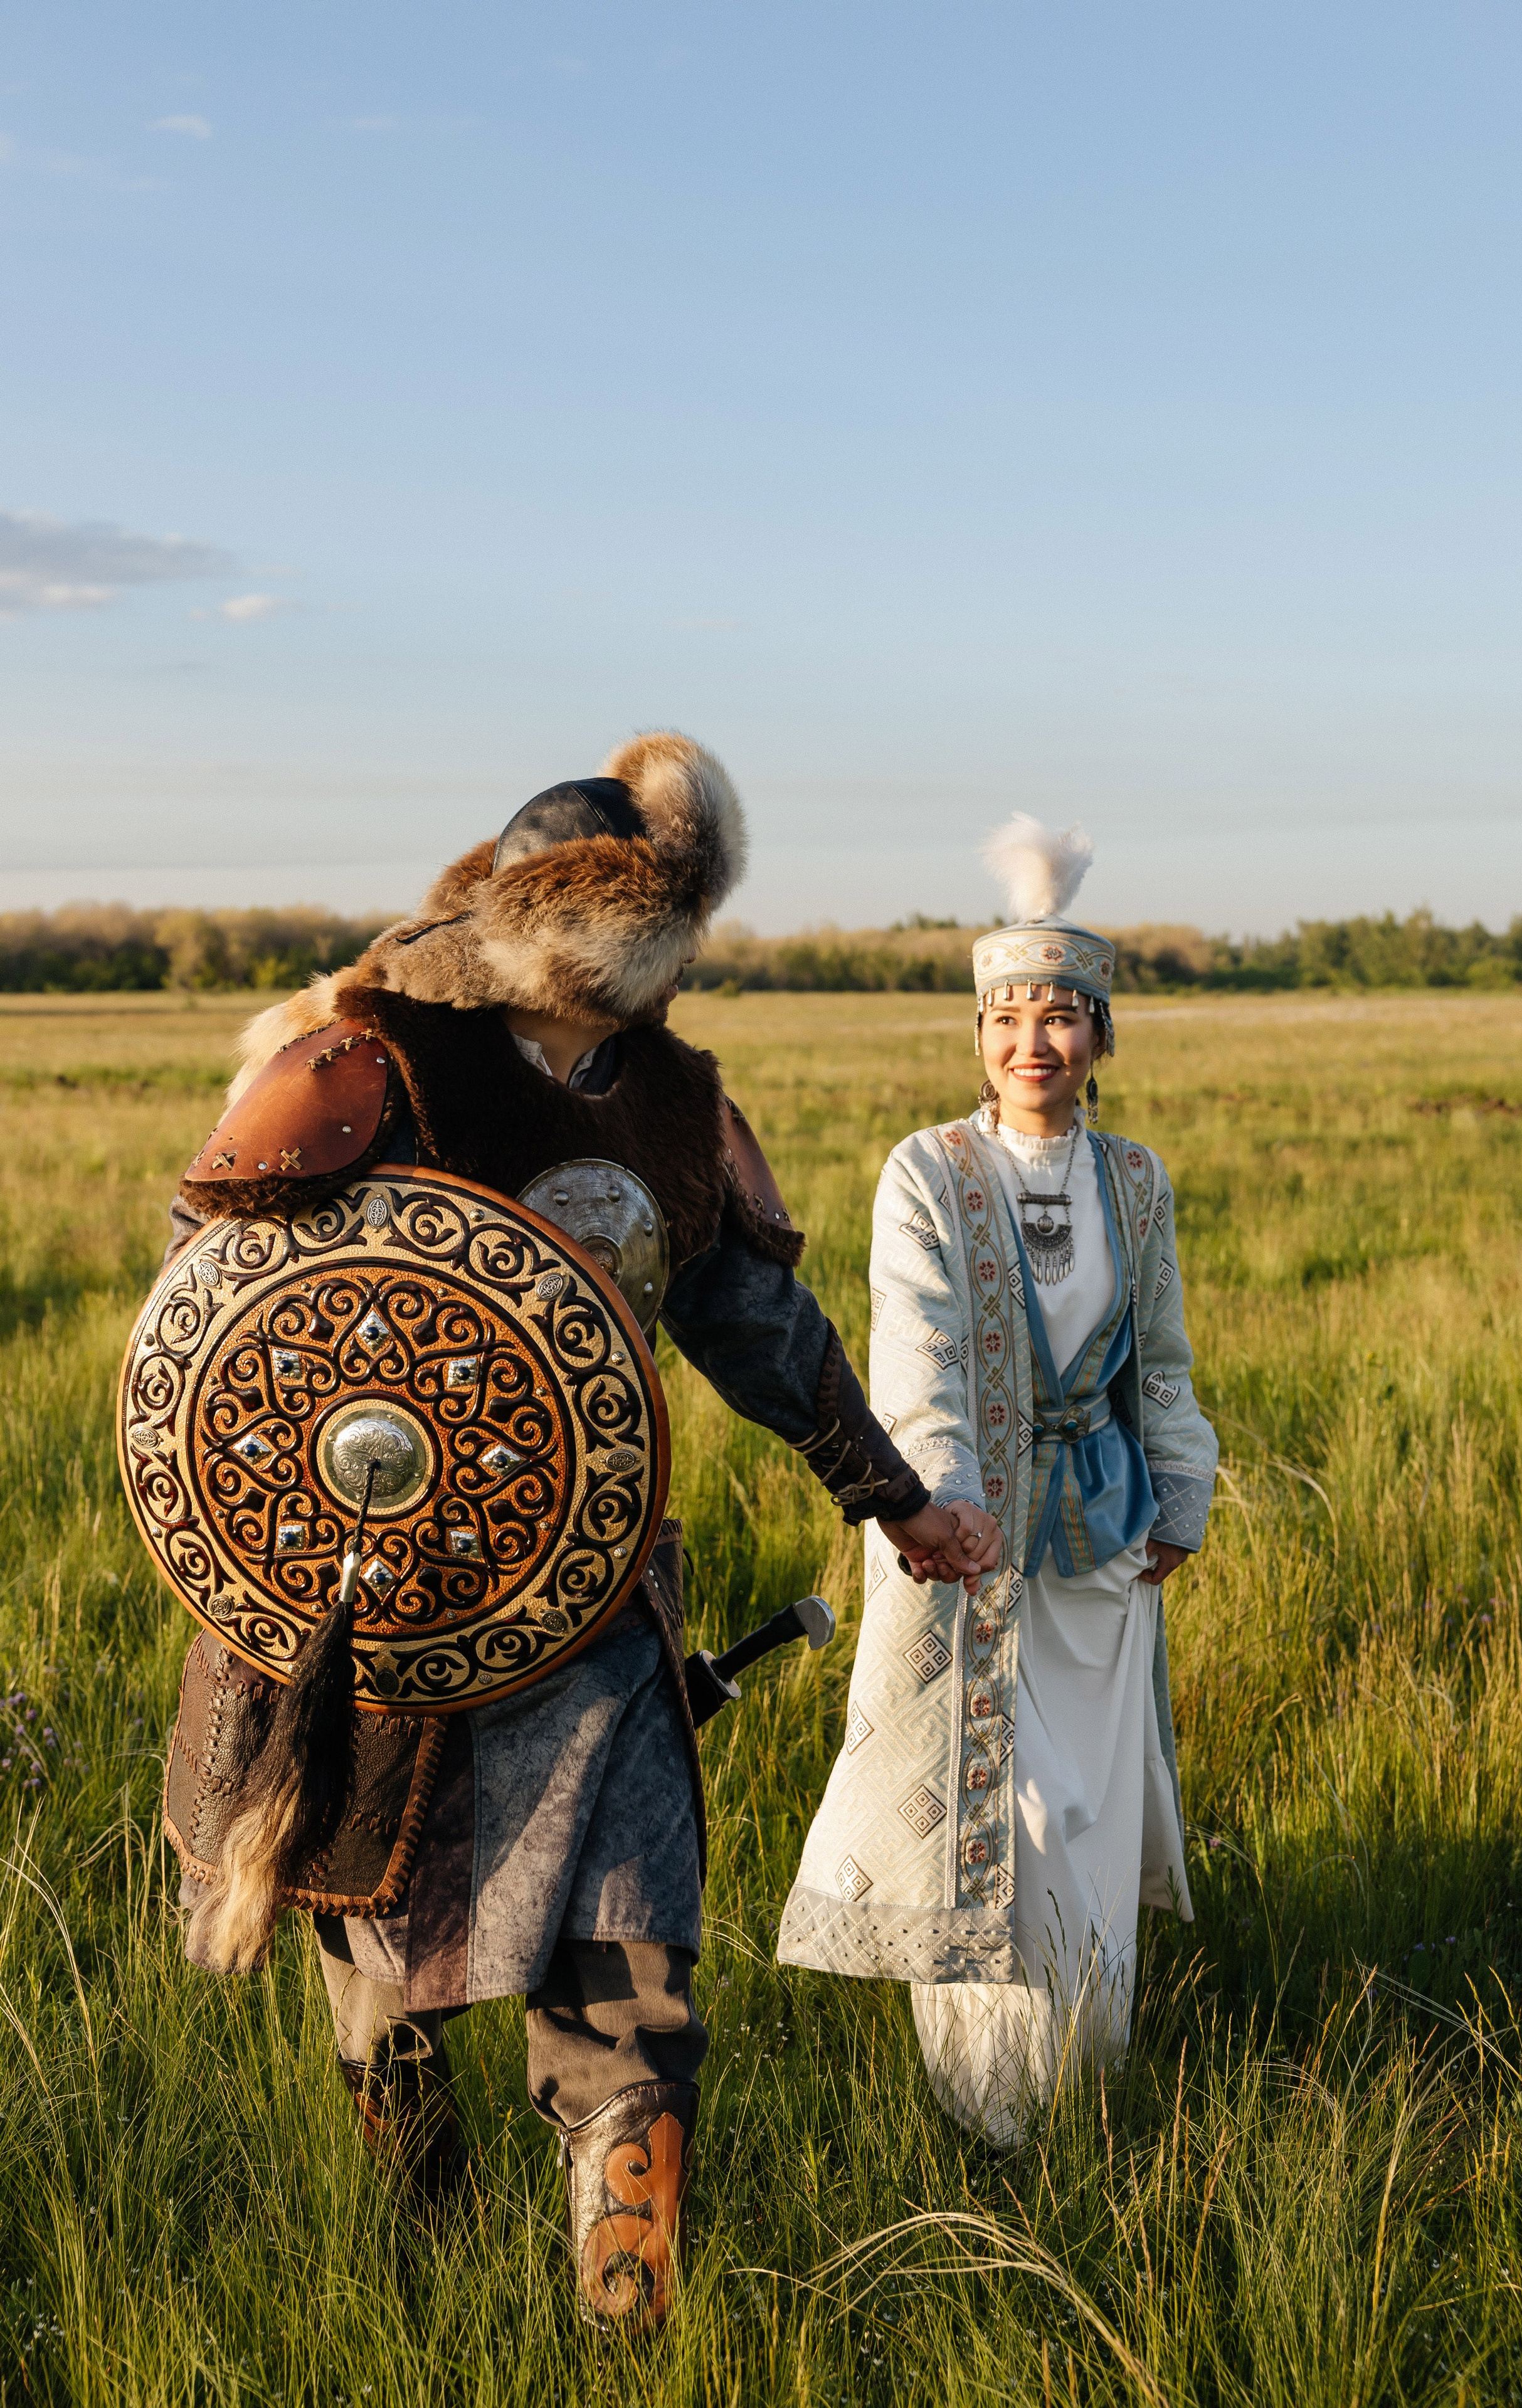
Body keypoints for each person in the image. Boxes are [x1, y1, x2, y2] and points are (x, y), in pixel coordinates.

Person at [156, 732, 1003, 2318]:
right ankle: (412, 2257)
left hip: (588, 1610)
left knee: (632, 1965)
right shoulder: (369, 1066)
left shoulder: (676, 1098)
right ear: (571, 928)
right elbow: (221, 1326)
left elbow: (753, 1320)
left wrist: (888, 1497)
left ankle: (625, 2329)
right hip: (383, 1615)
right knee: (381, 1979)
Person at [778, 814, 1216, 2143]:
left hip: (1103, 1547)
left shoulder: (1134, 1183)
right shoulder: (924, 1170)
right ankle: (989, 2108)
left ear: (1098, 1037)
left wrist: (1180, 1499)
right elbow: (914, 1361)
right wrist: (945, 1509)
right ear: (978, 1036)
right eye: (1007, 1020)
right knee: (995, 1816)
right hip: (959, 1541)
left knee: (1084, 1813)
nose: (1033, 1045)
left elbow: (1161, 1358)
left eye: (1061, 1019)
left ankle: (1087, 2082)